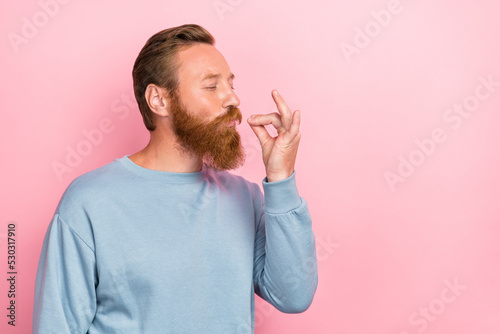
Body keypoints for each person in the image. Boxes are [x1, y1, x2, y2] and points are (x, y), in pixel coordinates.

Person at [32, 23, 318, 334]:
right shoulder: (90, 201)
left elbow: (294, 296)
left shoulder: (245, 198)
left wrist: (280, 178)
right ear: (158, 100)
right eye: (211, 86)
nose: (233, 99)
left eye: (231, 84)